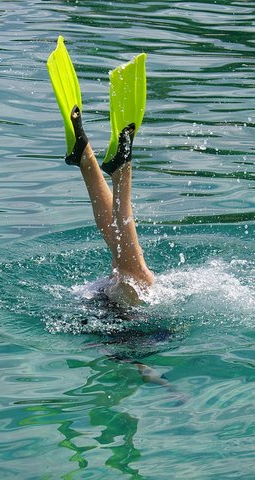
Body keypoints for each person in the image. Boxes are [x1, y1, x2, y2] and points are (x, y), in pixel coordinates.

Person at [48, 37, 153, 305]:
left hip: (120, 327)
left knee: (136, 277)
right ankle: (85, 157)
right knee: (126, 269)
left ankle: (116, 167)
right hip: (114, 323)